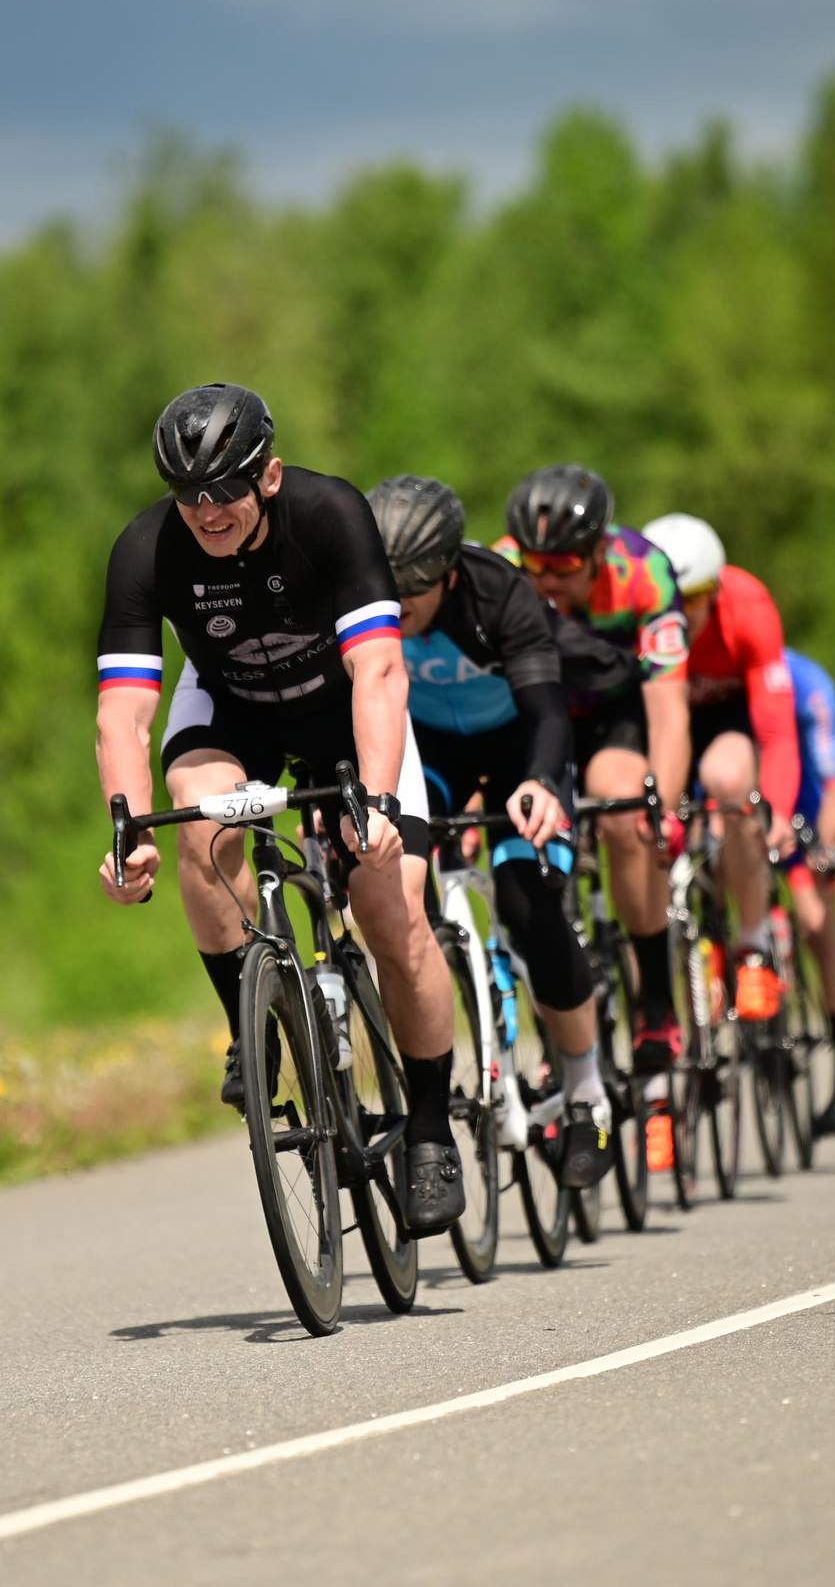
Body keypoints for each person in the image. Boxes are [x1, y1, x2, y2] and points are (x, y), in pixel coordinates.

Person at [95, 383, 466, 1235]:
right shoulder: (146, 548)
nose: (207, 510)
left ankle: (433, 1129)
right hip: (234, 711)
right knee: (198, 820)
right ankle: (249, 1031)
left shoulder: (329, 512)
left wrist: (372, 799)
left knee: (389, 908)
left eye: (225, 488)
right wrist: (126, 824)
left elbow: (377, 671)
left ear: (268, 476)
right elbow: (126, 710)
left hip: (344, 712)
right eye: (188, 494)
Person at [371, 475, 610, 1187]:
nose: (400, 598)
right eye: (389, 582)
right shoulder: (362, 601)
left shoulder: (498, 592)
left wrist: (539, 781)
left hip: (515, 750)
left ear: (449, 573)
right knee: (394, 895)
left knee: (528, 904)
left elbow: (545, 709)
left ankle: (587, 1092)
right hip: (429, 755)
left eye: (416, 582)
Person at [498, 467, 690, 1074]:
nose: (547, 582)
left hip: (615, 714)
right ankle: (558, 1028)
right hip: (538, 710)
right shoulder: (503, 569)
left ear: (599, 551)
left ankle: (655, 999)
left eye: (564, 568)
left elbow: (669, 712)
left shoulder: (644, 573)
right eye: (537, 567)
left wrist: (665, 810)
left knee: (624, 808)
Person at [638, 515, 802, 1030]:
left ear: (715, 591)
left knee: (730, 781)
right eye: (670, 601)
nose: (680, 615)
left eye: (693, 599)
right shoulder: (634, 620)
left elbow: (777, 732)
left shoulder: (749, 608)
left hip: (728, 721)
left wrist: (775, 809)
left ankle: (752, 947)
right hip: (665, 723)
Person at [781, 647, 835, 1134]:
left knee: (815, 922)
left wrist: (824, 846)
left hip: (804, 814)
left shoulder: (808, 682)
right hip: (742, 812)